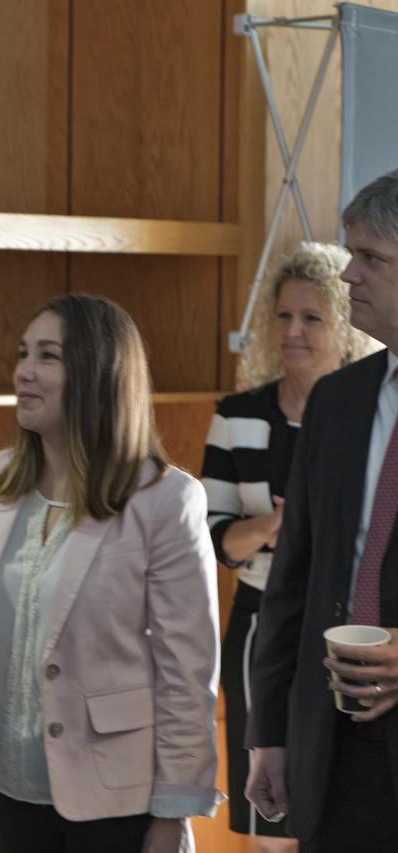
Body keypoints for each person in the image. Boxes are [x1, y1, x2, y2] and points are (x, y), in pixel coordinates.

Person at [0, 294, 221, 852]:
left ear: (100, 374)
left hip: (119, 795)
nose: (23, 372)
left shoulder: (167, 499)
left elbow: (188, 670)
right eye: (22, 353)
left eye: (48, 356)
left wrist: (175, 810)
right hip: (8, 782)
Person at [201, 242, 375, 849]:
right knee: (268, 815)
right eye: (282, 315)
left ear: (344, 326)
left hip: (352, 628)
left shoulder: (367, 411)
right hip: (259, 626)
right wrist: (280, 528)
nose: (293, 331)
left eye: (311, 317)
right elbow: (216, 538)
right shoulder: (237, 416)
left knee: (343, 799)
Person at [247, 169, 398, 851]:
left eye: (368, 258)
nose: (347, 277)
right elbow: (293, 582)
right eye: (348, 255)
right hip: (333, 749)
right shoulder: (336, 401)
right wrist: (270, 734)